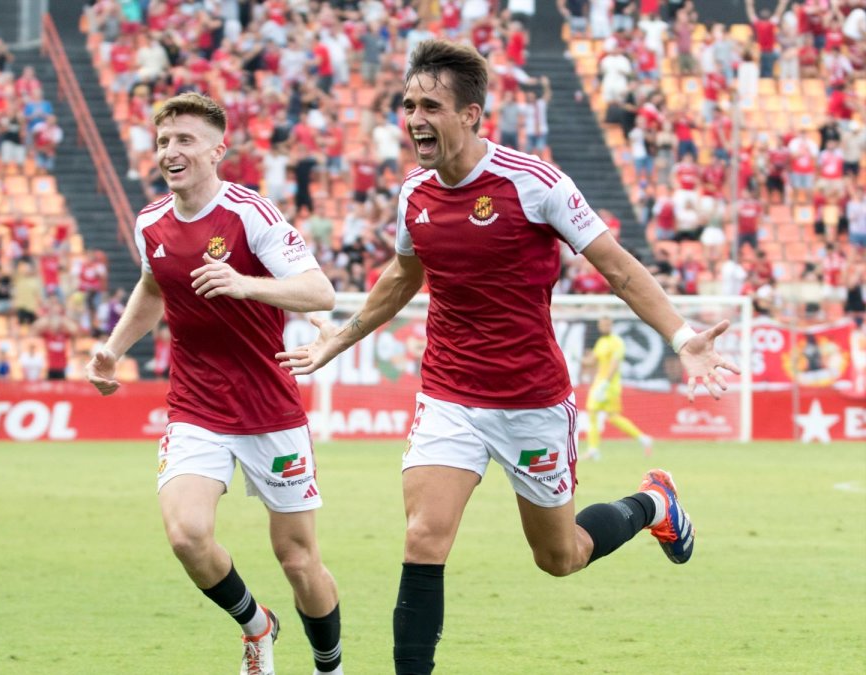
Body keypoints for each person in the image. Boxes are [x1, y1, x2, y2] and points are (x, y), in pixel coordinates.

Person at [276, 41, 739, 675]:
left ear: (470, 114)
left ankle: (652, 504)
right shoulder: (414, 191)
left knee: (561, 556)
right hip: (448, 397)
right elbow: (401, 277)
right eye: (408, 104)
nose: (414, 118)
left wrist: (684, 338)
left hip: (531, 402)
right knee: (422, 537)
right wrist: (337, 338)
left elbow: (619, 270)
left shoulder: (536, 184)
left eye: (430, 105)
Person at [86, 93, 343, 675]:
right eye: (163, 142)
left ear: (216, 150)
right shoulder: (150, 221)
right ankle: (258, 626)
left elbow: (319, 292)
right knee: (187, 535)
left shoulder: (251, 214)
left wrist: (246, 284)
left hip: (270, 411)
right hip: (196, 407)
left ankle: (329, 665)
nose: (170, 152)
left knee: (299, 561)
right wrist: (113, 350)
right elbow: (155, 288)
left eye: (184, 141)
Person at [581, 316, 654, 460]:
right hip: (599, 383)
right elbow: (592, 361)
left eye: (607, 324)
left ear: (611, 325)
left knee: (606, 415)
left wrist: (605, 384)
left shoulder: (617, 342)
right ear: (599, 326)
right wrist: (580, 358)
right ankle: (642, 439)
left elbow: (614, 364)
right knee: (598, 414)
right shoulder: (601, 342)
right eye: (602, 324)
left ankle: (594, 449)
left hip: (609, 386)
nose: (605, 327)